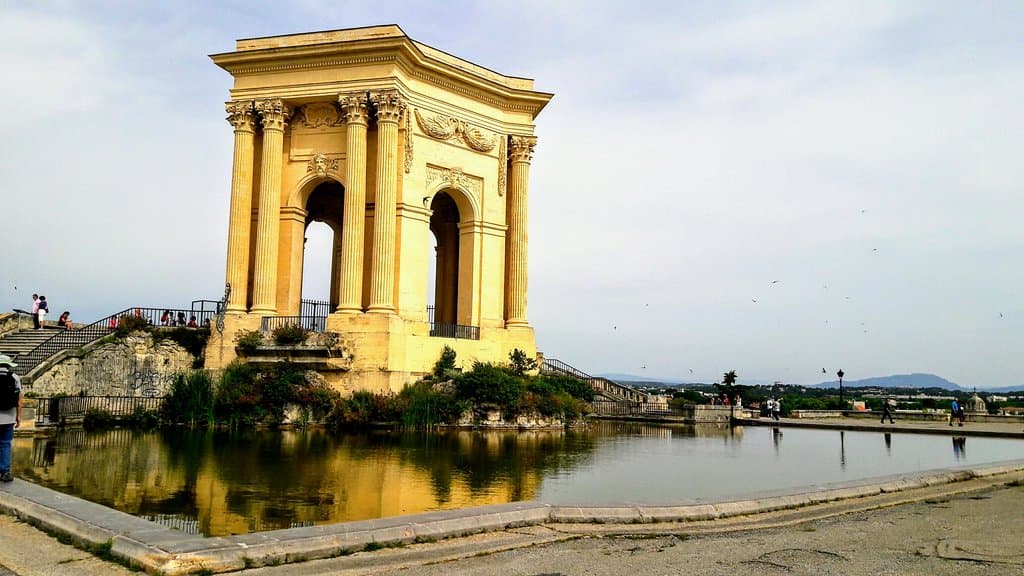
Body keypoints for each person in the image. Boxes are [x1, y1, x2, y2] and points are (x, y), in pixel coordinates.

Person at [0, 354, 22, 483]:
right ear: (8, 365)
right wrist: (18, 416)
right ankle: (4, 471)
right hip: (9, 417)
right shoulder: (14, 377)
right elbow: (19, 400)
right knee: (5, 444)